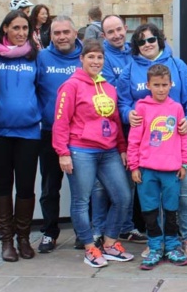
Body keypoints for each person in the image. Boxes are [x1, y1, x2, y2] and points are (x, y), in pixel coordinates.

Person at [118, 23, 187, 259]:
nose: (147, 44)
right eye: (141, 41)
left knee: (183, 197)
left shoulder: (178, 65)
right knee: (151, 200)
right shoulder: (128, 69)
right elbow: (121, 102)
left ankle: (185, 238)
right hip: (148, 151)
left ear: (160, 40)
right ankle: (155, 242)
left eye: (151, 39)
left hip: (175, 147)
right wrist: (128, 114)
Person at [53, 39, 134, 268]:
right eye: (91, 57)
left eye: (99, 57)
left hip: (108, 151)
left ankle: (109, 243)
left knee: (123, 197)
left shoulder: (108, 87)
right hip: (81, 150)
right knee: (81, 201)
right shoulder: (71, 86)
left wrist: (122, 148)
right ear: (81, 59)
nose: (96, 61)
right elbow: (60, 121)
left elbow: (115, 120)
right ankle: (90, 247)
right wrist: (62, 152)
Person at [0, 10, 42, 262]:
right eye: (16, 28)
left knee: (26, 187)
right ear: (5, 28)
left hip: (28, 132)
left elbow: (42, 88)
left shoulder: (35, 55)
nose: (21, 33)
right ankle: (6, 240)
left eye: (25, 28)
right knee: (3, 186)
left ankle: (24, 238)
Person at [128, 64, 187, 269]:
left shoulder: (177, 108)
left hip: (172, 170)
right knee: (150, 210)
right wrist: (134, 166)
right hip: (146, 170)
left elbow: (183, 137)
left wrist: (184, 162)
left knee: (171, 209)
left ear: (171, 84)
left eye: (165, 85)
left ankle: (172, 246)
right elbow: (134, 139)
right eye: (156, 85)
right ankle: (155, 246)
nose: (161, 89)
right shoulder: (141, 108)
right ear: (148, 85)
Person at [92, 14, 148, 247]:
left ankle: (125, 228)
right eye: (110, 32)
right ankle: (98, 230)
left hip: (134, 128)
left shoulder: (135, 53)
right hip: (109, 128)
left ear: (126, 28)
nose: (116, 35)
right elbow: (111, 92)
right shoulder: (102, 57)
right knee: (102, 185)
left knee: (129, 180)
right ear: (103, 35)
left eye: (119, 29)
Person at [36, 16, 82, 253]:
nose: (62, 37)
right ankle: (49, 232)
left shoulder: (86, 57)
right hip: (50, 133)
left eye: (66, 32)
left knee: (82, 189)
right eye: (57, 33)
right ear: (51, 35)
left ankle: (82, 232)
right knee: (50, 187)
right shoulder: (42, 57)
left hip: (81, 136)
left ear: (75, 33)